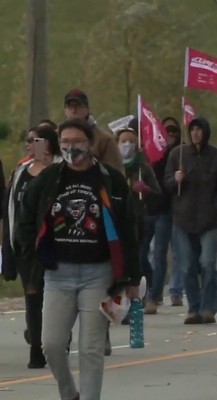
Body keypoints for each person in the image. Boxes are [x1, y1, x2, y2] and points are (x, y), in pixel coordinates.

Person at [15, 118, 141, 400]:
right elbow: (25, 222)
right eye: (66, 143)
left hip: (98, 274)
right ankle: (69, 392)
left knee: (91, 348)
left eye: (78, 142)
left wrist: (132, 276)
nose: (72, 149)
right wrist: (30, 258)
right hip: (57, 274)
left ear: (90, 143)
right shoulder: (48, 179)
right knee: (51, 344)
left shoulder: (110, 179)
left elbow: (130, 230)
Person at [1, 125, 62, 369]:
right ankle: (36, 349)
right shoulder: (21, 172)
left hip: (56, 246)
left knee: (56, 300)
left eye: (34, 140)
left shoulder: (61, 170)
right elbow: (11, 209)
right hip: (27, 247)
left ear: (47, 143)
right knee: (33, 298)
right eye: (28, 141)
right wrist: (10, 246)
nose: (29, 145)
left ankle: (58, 342)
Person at [164, 117, 217, 324]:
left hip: (208, 220)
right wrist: (176, 180)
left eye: (199, 130)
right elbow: (166, 184)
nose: (195, 134)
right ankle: (194, 307)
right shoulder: (178, 155)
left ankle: (208, 306)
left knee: (208, 264)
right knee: (186, 266)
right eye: (192, 130)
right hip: (183, 219)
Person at [114, 127, 161, 314]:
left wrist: (146, 190)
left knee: (139, 258)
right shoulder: (113, 166)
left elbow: (158, 195)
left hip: (139, 219)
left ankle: (145, 293)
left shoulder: (143, 167)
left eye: (131, 141)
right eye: (123, 141)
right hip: (117, 220)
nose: (127, 145)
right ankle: (121, 301)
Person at [146, 119, 185, 308]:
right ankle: (154, 290)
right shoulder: (154, 155)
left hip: (173, 210)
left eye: (173, 134)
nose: (169, 138)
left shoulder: (181, 155)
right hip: (155, 208)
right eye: (165, 133)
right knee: (152, 253)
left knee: (172, 252)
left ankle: (170, 291)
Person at [63, 88, 123, 174]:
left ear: (87, 109)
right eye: (70, 106)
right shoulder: (55, 136)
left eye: (78, 106)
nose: (74, 110)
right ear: (65, 110)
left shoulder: (104, 140)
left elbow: (116, 174)